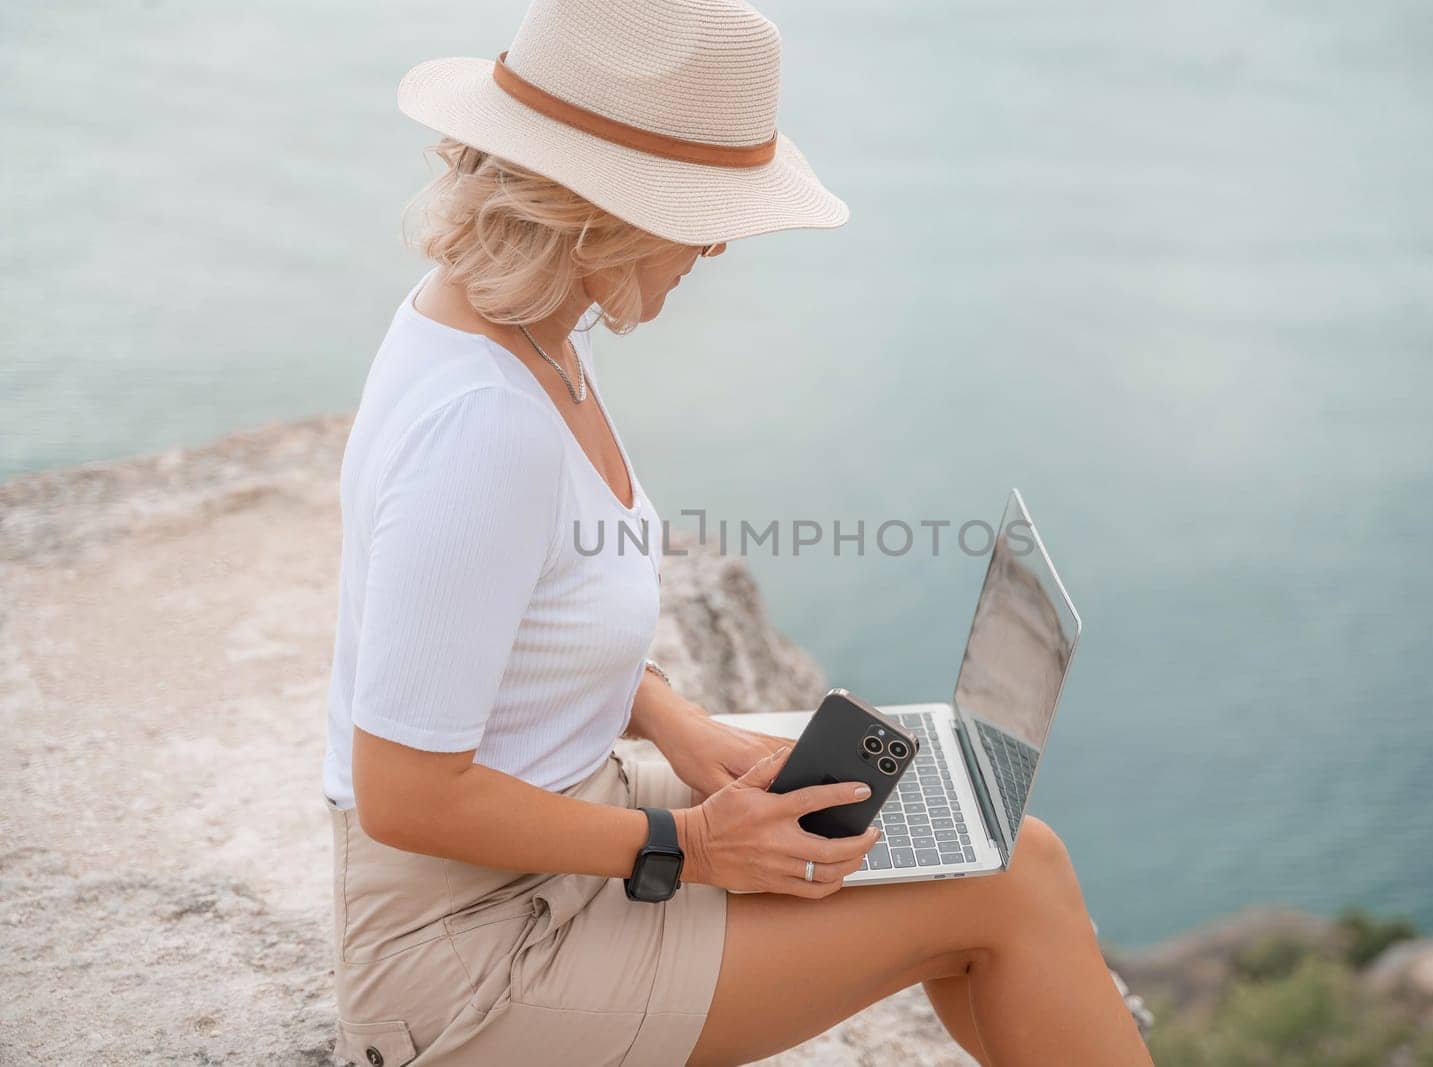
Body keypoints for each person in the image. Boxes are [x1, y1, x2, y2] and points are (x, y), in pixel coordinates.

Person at [320, 0, 1155, 1064]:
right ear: (596, 212)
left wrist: (669, 718)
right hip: (472, 956)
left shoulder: (515, 331)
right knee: (1005, 887)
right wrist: (690, 845)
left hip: (555, 836)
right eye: (699, 207)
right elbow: (404, 790)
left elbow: (506, 629)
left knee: (986, 841)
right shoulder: (485, 426)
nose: (716, 241)